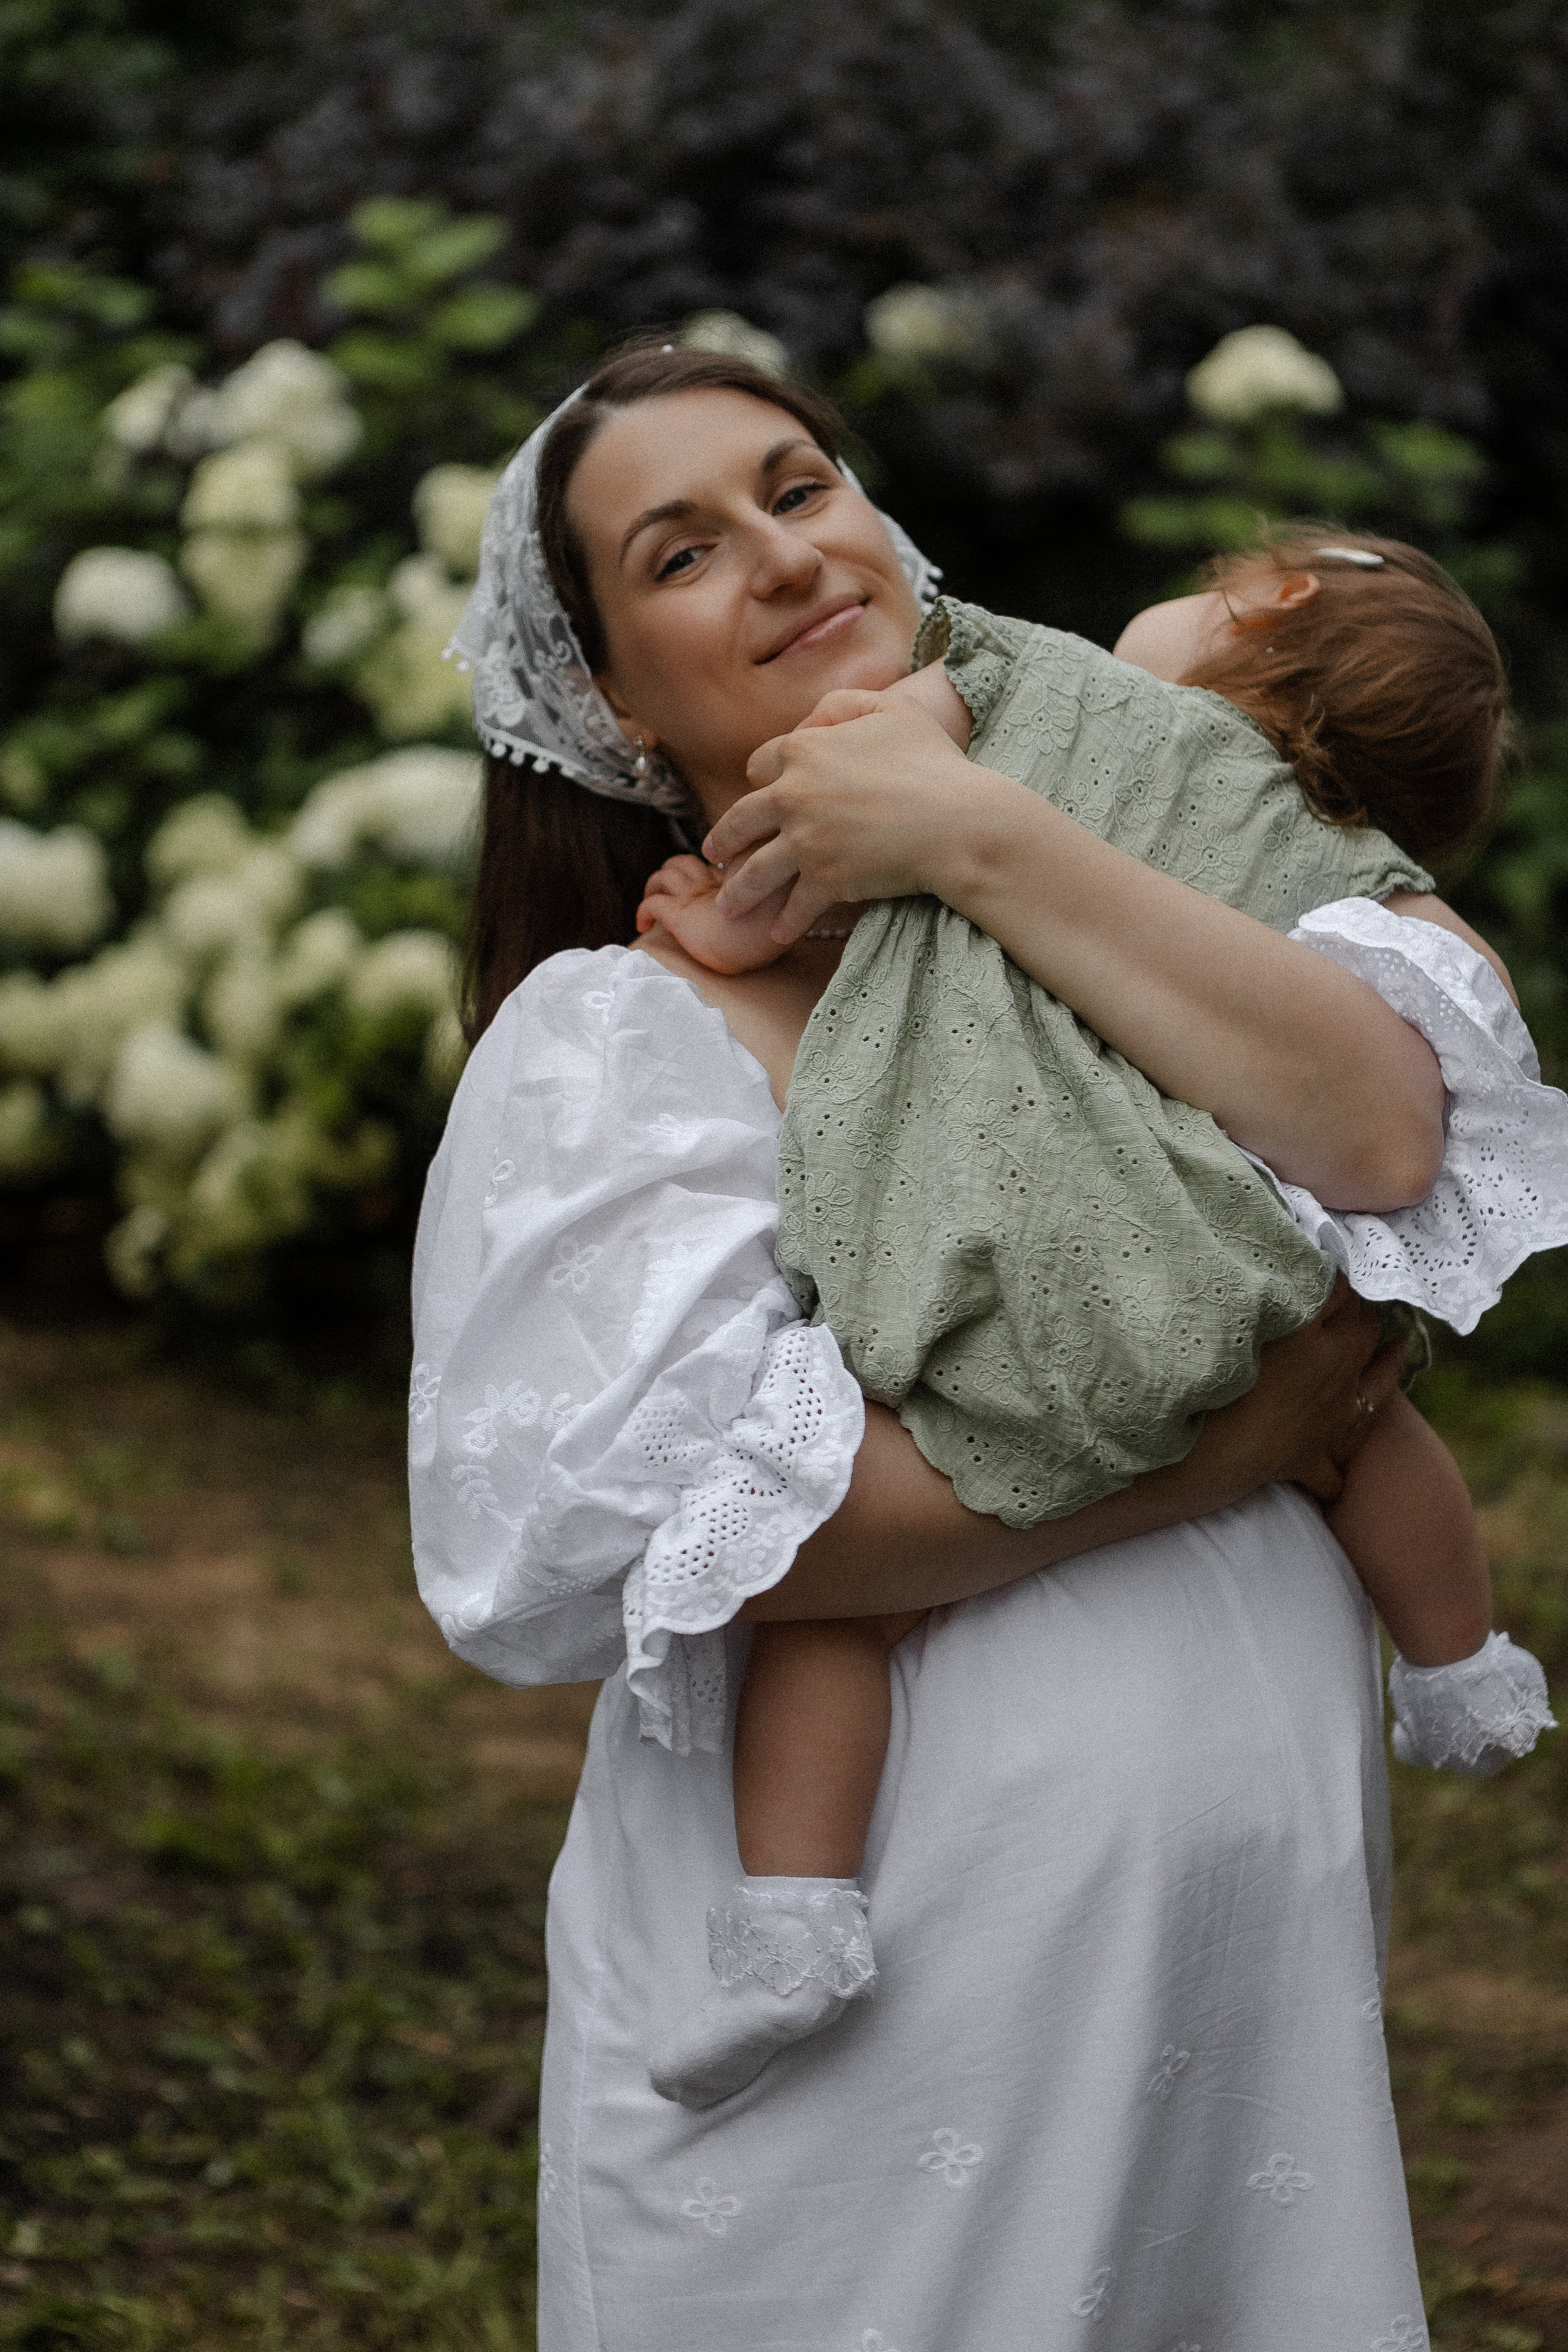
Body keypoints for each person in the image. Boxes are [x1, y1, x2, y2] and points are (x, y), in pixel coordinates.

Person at [409, 341, 1525, 2348]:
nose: (778, 554)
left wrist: (969, 831)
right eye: (681, 552)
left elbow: (1381, 1132)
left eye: (799, 486)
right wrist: (1227, 1448)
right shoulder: (623, 1034)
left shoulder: (1131, 893)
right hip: (899, 2007)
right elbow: (684, 1534)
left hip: (1240, 1982)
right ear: (612, 697)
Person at [635, 529, 1561, 2102]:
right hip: (1209, 1276)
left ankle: (793, 1916)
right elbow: (1448, 1020)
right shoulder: (1330, 860)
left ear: (1265, 596)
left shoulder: (1036, 690)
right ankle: (1456, 1663)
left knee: (837, 1617)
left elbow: (858, 791)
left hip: (1014, 1262)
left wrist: (732, 916)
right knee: (1360, 1418)